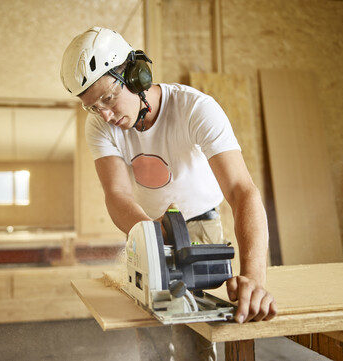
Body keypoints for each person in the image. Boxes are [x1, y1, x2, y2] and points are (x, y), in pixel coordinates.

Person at [60, 26, 277, 361]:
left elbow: (241, 191)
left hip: (200, 222)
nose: (104, 114)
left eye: (108, 98)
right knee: (147, 326)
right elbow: (117, 195)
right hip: (145, 226)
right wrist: (149, 235)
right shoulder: (100, 125)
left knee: (192, 331)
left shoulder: (195, 109)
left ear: (136, 76)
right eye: (92, 106)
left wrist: (254, 278)